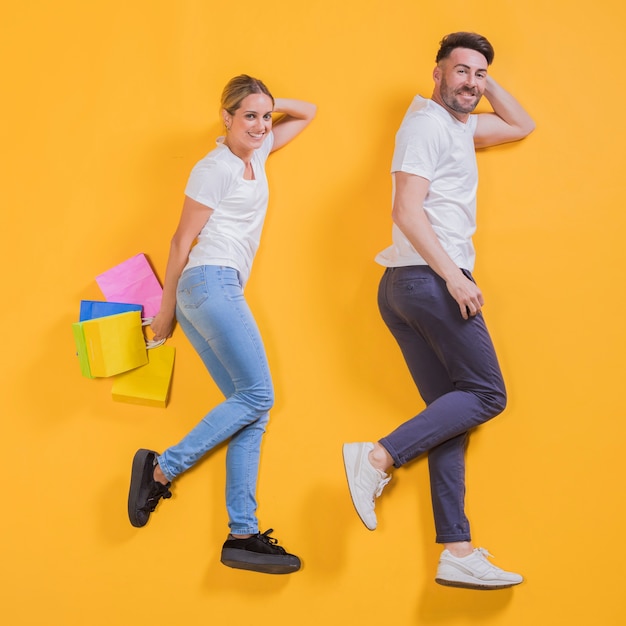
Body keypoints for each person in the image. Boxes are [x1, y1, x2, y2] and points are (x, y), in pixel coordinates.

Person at [342, 32, 535, 589]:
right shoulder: (425, 124)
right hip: (432, 281)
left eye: (478, 75)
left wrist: (483, 80)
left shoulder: (458, 126)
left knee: (449, 417)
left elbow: (522, 124)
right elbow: (405, 208)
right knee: (488, 395)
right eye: (461, 72)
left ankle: (456, 547)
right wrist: (454, 276)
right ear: (436, 73)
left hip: (410, 286)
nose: (471, 83)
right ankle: (378, 457)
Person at [127, 75, 316, 575]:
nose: (259, 125)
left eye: (263, 115)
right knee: (259, 395)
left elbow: (309, 112)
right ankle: (162, 467)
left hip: (211, 290)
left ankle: (242, 534)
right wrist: (165, 310)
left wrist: (270, 108)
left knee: (251, 408)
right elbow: (179, 241)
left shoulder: (256, 154)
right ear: (226, 118)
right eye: (247, 115)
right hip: (209, 283)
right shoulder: (215, 168)